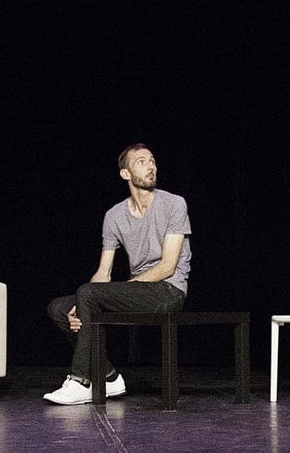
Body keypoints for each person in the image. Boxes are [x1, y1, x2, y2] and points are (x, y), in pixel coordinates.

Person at [44, 143, 192, 405]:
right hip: (138, 290)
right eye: (141, 162)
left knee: (88, 294)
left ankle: (80, 380)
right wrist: (81, 304)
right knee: (59, 308)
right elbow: (104, 273)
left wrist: (113, 290)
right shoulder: (114, 216)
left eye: (152, 161)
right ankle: (109, 377)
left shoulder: (174, 204)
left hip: (168, 291)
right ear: (125, 174)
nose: (151, 166)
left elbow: (168, 266)